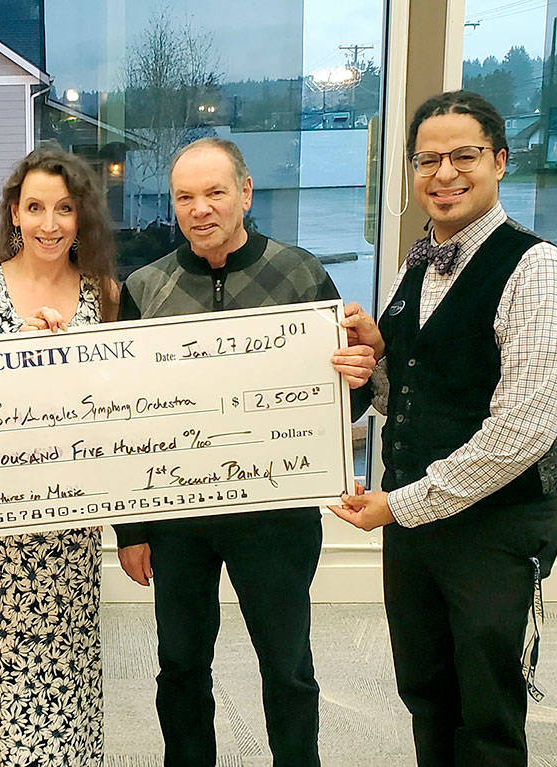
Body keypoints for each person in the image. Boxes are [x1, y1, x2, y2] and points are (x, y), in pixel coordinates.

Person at [332, 90, 557, 766]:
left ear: (500, 161)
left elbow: (521, 432)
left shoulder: (539, 270)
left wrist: (399, 504)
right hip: (416, 528)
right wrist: (373, 356)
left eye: (463, 156)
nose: (443, 173)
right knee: (426, 691)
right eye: (427, 159)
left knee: (487, 711)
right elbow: (405, 394)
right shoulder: (415, 263)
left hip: (494, 530)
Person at [114, 137, 377, 767]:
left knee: (286, 665)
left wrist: (359, 381)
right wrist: (132, 528)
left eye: (215, 193)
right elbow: (124, 416)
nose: (200, 208)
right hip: (179, 517)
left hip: (276, 514)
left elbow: (342, 409)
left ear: (246, 193)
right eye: (185, 197)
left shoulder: (301, 274)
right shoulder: (145, 287)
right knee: (179, 663)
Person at [0, 146, 118, 766]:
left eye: (64, 209)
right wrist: (20, 360)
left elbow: (116, 407)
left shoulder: (105, 292)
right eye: (35, 207)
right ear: (13, 212)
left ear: (81, 217)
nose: (49, 223)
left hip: (65, 529)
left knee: (58, 699)